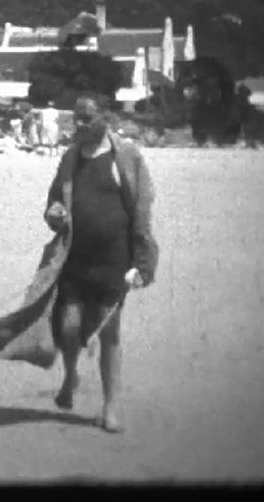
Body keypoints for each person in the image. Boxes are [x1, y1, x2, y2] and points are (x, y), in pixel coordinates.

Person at [46, 96, 159, 433]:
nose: (80, 125)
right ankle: (71, 376)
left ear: (104, 119)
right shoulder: (70, 157)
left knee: (109, 333)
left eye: (87, 119)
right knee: (68, 326)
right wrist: (54, 213)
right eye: (77, 119)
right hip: (74, 257)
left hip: (113, 260)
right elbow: (54, 199)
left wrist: (142, 261)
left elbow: (142, 209)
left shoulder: (126, 156)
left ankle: (110, 408)